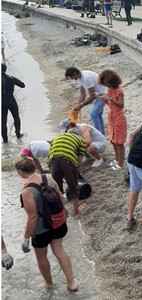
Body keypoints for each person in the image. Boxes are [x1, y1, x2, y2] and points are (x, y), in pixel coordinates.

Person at [15, 156, 78, 291]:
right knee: (59, 250)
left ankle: (49, 284)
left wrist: (26, 238)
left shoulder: (26, 191)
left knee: (41, 256)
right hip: (57, 222)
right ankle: (71, 283)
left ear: (21, 172)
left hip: (41, 229)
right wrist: (64, 213)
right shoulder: (47, 178)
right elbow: (60, 195)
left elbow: (32, 217)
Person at [48, 128, 86, 217]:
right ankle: (76, 211)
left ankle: (61, 211)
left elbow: (51, 150)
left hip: (53, 161)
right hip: (68, 161)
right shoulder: (81, 140)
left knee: (57, 188)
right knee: (73, 187)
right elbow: (79, 163)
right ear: (78, 135)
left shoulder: (57, 137)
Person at [98, 69, 127, 170]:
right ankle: (117, 158)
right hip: (111, 116)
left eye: (107, 83)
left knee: (119, 142)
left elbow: (121, 105)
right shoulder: (109, 90)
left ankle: (121, 162)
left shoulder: (119, 91)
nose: (106, 85)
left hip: (118, 117)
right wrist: (105, 100)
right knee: (113, 140)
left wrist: (110, 99)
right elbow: (110, 104)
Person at [65, 67, 107, 135]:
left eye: (72, 77)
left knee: (93, 114)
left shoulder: (86, 78)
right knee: (98, 115)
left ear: (75, 73)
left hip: (103, 94)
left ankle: (97, 134)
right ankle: (101, 134)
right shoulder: (80, 78)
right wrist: (78, 106)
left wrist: (82, 105)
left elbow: (92, 95)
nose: (73, 79)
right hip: (98, 95)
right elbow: (82, 94)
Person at [2, 63, 25, 143]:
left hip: (2, 102)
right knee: (16, 116)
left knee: (3, 120)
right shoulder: (10, 78)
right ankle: (18, 134)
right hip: (11, 100)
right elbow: (22, 85)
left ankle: (5, 140)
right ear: (5, 69)